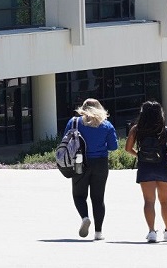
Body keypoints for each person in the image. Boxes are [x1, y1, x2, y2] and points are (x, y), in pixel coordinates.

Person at [124, 100, 167, 243]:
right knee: (165, 200)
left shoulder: (136, 130)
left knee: (149, 201)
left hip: (145, 167)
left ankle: (151, 232)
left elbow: (127, 148)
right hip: (162, 166)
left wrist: (140, 155)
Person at [65, 98, 119, 240]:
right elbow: (114, 146)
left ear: (83, 107)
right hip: (101, 162)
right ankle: (98, 232)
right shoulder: (106, 125)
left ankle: (84, 217)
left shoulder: (74, 122)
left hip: (79, 161)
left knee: (78, 195)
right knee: (98, 198)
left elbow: (65, 141)